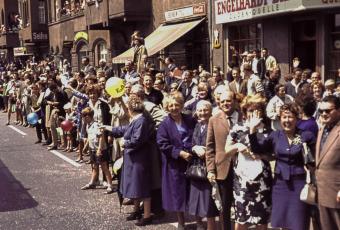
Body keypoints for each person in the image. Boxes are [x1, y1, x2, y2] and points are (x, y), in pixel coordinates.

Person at [248, 103, 316, 230]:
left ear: (297, 118)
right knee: (283, 221)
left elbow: (315, 160)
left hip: (299, 184)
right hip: (280, 184)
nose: (287, 120)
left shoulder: (306, 136)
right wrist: (252, 130)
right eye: (284, 117)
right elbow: (257, 149)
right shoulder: (275, 135)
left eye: (290, 117)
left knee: (298, 222)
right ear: (280, 119)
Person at [104, 97, 155, 226]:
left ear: (131, 108)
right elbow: (124, 129)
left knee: (142, 187)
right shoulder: (137, 119)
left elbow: (137, 140)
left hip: (139, 159)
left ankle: (147, 215)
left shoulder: (141, 121)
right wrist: (108, 128)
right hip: (133, 158)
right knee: (135, 185)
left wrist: (125, 143)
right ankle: (137, 210)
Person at [229, 95, 273, 230]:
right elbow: (226, 149)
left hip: (261, 180)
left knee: (261, 219)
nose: (253, 113)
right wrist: (237, 147)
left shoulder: (268, 130)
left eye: (257, 110)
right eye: (250, 110)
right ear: (244, 111)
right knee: (241, 218)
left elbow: (272, 155)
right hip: (242, 179)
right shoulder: (238, 128)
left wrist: (263, 156)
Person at [157, 92, 196, 229]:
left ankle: (200, 220)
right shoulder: (164, 125)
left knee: (195, 191)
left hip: (192, 160)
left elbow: (196, 135)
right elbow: (162, 144)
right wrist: (179, 153)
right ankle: (181, 221)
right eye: (171, 105)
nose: (174, 107)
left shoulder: (190, 119)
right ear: (167, 107)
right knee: (178, 192)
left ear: (181, 105)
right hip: (174, 163)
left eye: (177, 104)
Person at [206, 91, 241, 230]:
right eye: (222, 101)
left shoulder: (243, 117)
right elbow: (209, 147)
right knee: (225, 206)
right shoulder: (213, 120)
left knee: (242, 204)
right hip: (222, 168)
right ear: (219, 103)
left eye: (229, 100)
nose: (226, 104)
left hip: (242, 167)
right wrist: (210, 169)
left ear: (234, 101)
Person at [187, 100, 219, 230]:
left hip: (209, 165)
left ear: (210, 111)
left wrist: (205, 150)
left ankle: (211, 226)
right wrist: (194, 148)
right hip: (196, 165)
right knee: (196, 197)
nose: (202, 113)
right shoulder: (196, 125)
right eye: (200, 110)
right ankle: (199, 224)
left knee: (209, 199)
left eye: (205, 110)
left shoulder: (214, 125)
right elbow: (190, 142)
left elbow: (217, 144)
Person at [315, 95, 340, 229]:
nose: (324, 114)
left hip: (336, 193)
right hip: (323, 191)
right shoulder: (323, 129)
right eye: (321, 111)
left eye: (328, 110)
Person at [80, 107, 114, 194]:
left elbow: (101, 137)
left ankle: (110, 185)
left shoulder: (96, 125)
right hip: (92, 149)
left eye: (83, 116)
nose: (82, 118)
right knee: (94, 167)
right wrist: (86, 147)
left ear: (88, 116)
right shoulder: (88, 125)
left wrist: (99, 149)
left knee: (104, 167)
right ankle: (92, 182)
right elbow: (89, 137)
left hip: (100, 149)